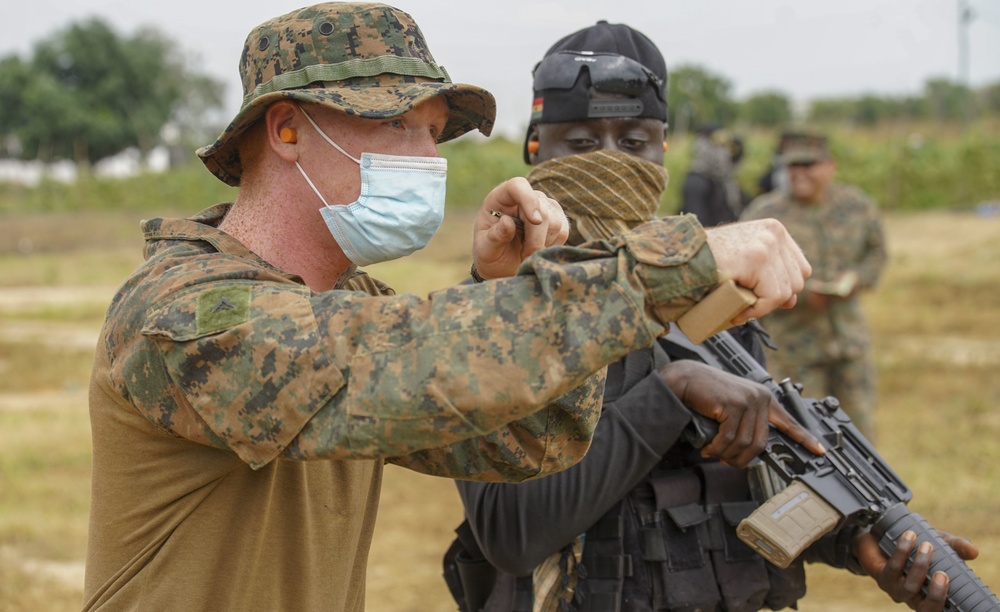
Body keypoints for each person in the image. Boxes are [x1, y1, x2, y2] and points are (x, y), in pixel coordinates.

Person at [82, 4, 815, 611]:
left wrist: (498, 288)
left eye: (435, 134)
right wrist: (678, 264)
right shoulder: (182, 313)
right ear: (287, 130)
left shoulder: (346, 301)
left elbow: (522, 445)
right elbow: (387, 361)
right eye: (397, 125)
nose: (428, 159)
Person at [446, 20, 974, 612]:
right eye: (585, 142)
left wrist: (853, 542)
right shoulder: (497, 303)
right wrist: (672, 392)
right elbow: (511, 534)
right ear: (535, 149)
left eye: (635, 141)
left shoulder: (710, 286)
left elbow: (736, 488)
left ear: (664, 149)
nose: (613, 161)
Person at [741, 129, 887, 441]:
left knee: (859, 436)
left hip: (848, 343)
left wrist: (856, 279)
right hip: (794, 351)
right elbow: (742, 276)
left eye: (809, 165)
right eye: (793, 166)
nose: (800, 173)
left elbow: (876, 252)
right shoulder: (764, 215)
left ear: (829, 166)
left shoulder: (856, 206)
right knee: (806, 436)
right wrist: (802, 294)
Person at [680, 125, 751, 227]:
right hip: (702, 183)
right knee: (698, 221)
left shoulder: (702, 145)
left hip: (704, 182)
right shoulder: (711, 146)